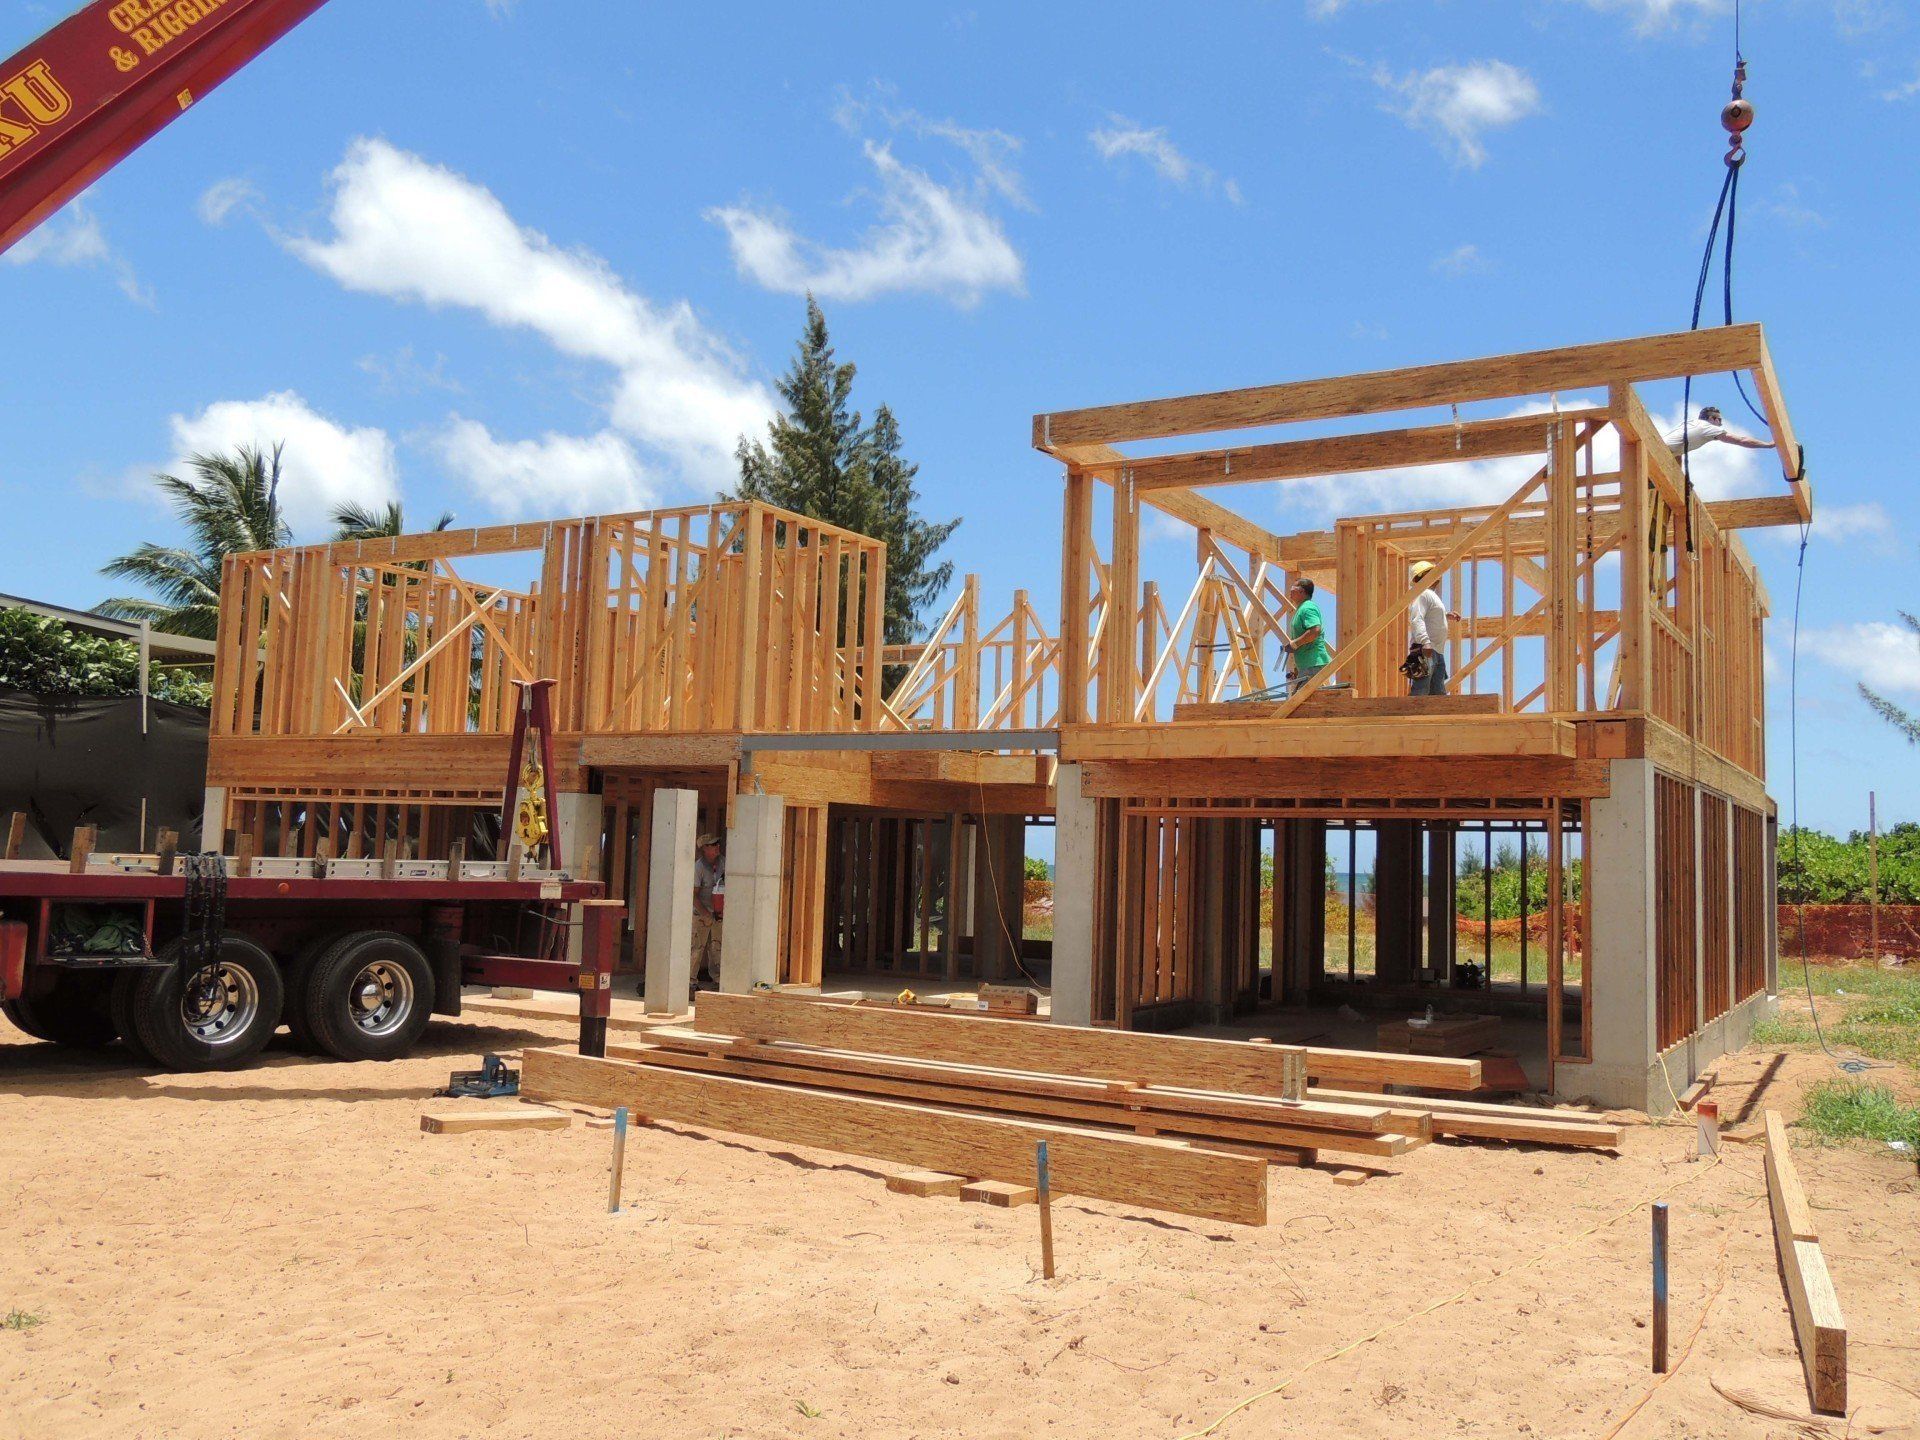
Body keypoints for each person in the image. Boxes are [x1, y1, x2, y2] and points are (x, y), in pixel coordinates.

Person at [1406, 561, 1462, 697]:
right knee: (1421, 690)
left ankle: (1435, 719)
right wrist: (1425, 642)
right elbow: (1417, 619)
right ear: (1424, 576)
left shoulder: (1431, 595)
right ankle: (1413, 718)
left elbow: (1429, 616)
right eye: (1432, 572)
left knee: (1437, 693)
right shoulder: (1423, 594)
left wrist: (1445, 615)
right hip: (1425, 649)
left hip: (1436, 650)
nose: (1438, 575)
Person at [1281, 577, 1331, 694]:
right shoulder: (1301, 609)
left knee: (1299, 704)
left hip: (1313, 664)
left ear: (1301, 591)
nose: (1290, 591)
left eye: (1293, 588)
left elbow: (1315, 630)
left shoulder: (1308, 607)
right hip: (1308, 665)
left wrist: (1295, 644)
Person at [1661, 405, 1769, 457]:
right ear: (1711, 419)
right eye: (1719, 420)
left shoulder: (1689, 423)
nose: (1720, 424)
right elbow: (1742, 440)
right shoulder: (1708, 427)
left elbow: (1678, 448)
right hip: (1661, 454)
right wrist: (1767, 445)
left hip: (1659, 449)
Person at [691, 831, 724, 989]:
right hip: (701, 915)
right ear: (704, 848)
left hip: (719, 914)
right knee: (696, 948)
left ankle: (719, 982)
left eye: (718, 844)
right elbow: (693, 895)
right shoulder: (699, 867)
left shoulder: (724, 863)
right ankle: (690, 984)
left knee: (717, 948)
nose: (717, 847)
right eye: (713, 845)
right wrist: (705, 914)